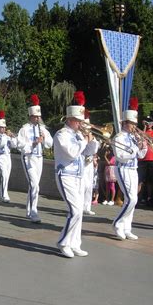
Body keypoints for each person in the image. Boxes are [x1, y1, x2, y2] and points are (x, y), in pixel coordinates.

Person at [54, 92, 89, 258]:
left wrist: (92, 141)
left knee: (80, 211)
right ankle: (63, 242)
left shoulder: (78, 135)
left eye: (81, 121)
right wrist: (84, 141)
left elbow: (89, 152)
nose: (80, 124)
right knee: (74, 210)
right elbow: (73, 153)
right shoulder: (62, 135)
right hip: (65, 175)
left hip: (78, 176)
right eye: (78, 121)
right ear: (69, 119)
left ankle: (75, 243)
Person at [111, 97, 147, 240]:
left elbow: (141, 155)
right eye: (132, 123)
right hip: (123, 169)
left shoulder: (134, 137)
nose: (134, 126)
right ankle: (117, 223)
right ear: (125, 123)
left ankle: (127, 228)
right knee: (131, 199)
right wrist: (134, 149)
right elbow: (120, 155)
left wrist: (143, 145)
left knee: (133, 199)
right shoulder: (118, 137)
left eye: (135, 123)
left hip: (133, 169)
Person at [17, 94, 53, 223]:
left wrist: (44, 139)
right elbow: (19, 145)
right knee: (34, 185)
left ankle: (28, 210)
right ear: (30, 116)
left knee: (34, 185)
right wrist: (33, 143)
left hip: (39, 158)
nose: (37, 118)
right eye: (35, 116)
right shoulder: (24, 129)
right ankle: (33, 211)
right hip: (28, 158)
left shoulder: (42, 128)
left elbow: (50, 143)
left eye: (39, 116)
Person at [0, 110, 18, 203]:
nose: (3, 129)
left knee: (7, 176)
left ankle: (0, 194)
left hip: (8, 157)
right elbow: (0, 145)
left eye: (4, 127)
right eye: (1, 128)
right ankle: (4, 195)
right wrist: (5, 136)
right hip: (1, 157)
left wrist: (13, 136)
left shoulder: (7, 136)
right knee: (4, 175)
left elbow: (15, 145)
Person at [137, 116, 153, 205]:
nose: (148, 124)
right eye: (147, 122)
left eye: (150, 122)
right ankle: (138, 198)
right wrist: (144, 127)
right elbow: (140, 139)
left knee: (151, 181)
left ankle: (150, 198)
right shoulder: (142, 131)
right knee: (140, 180)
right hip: (142, 159)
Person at [82, 113, 100, 216]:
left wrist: (90, 136)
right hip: (80, 162)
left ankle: (87, 207)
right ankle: (79, 207)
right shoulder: (78, 135)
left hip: (88, 163)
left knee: (89, 186)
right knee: (82, 186)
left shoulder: (89, 136)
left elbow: (94, 149)